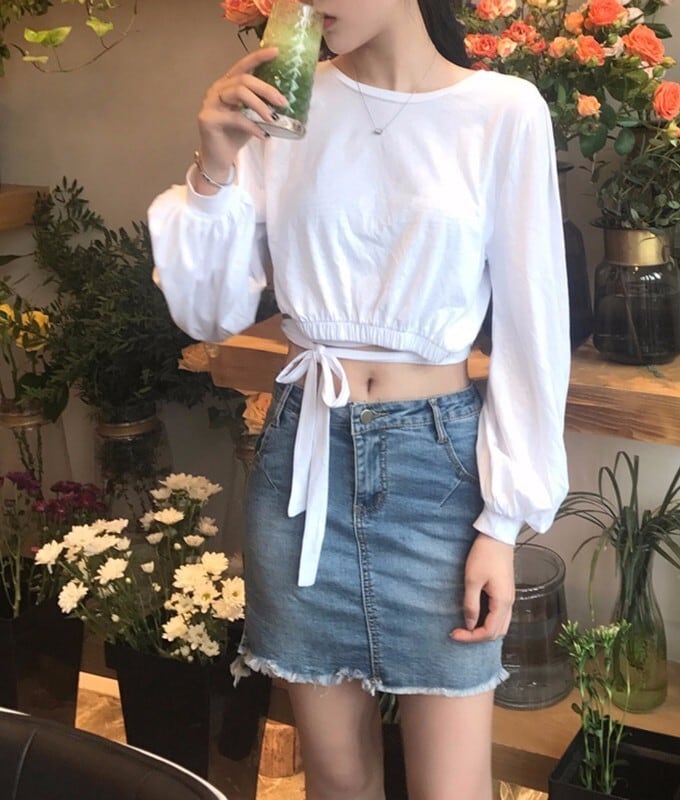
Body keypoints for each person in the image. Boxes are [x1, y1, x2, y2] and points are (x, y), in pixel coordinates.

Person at [148, 2, 570, 798]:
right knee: (338, 780)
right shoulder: (284, 108)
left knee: (452, 789)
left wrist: (502, 525)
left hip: (438, 480)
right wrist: (214, 165)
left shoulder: (502, 111)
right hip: (305, 471)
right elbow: (207, 314)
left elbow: (534, 329)